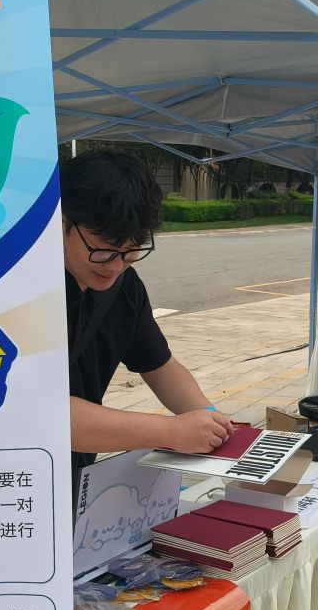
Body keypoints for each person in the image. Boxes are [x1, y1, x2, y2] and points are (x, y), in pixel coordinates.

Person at [62, 151, 234, 502]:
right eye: (104, 249)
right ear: (61, 220)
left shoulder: (123, 287)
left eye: (131, 251)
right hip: (11, 482)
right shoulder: (21, 296)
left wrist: (211, 419)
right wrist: (171, 431)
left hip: (77, 475)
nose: (115, 266)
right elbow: (40, 412)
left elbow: (160, 366)